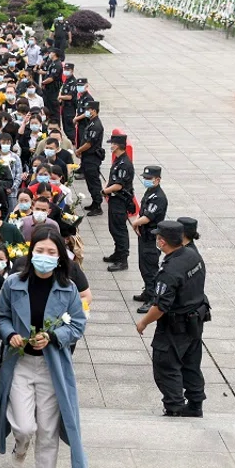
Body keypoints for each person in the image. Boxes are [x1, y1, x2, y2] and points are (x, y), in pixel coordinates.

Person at [0, 227, 87, 468]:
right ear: (31, 252)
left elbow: (78, 324)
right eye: (39, 251)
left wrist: (55, 336)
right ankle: (20, 445)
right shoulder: (13, 283)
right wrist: (10, 334)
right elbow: (1, 315)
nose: (44, 256)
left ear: (60, 257)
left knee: (47, 429)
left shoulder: (68, 288)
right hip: (19, 362)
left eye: (51, 252)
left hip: (51, 366)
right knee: (23, 425)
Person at [136, 221, 209, 418]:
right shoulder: (192, 255)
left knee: (166, 365)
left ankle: (174, 407)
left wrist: (143, 322)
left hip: (175, 326)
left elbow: (160, 306)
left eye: (159, 237)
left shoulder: (169, 271)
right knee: (191, 364)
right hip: (195, 321)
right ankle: (195, 404)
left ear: (162, 241)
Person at [132, 166, 168, 314]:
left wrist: (135, 223)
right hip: (145, 235)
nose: (145, 181)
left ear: (157, 180)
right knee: (143, 265)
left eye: (148, 178)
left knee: (150, 268)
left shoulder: (158, 197)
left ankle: (153, 299)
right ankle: (148, 291)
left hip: (152, 237)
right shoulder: (151, 192)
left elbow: (148, 217)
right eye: (145, 178)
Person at [102, 133, 134, 272]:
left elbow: (119, 185)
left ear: (117, 145)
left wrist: (105, 191)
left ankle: (123, 259)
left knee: (119, 230)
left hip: (120, 200)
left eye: (112, 144)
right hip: (114, 199)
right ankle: (117, 253)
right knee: (113, 227)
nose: (111, 146)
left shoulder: (124, 163)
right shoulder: (119, 160)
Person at [75, 101, 105, 216]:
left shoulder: (96, 125)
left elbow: (89, 143)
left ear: (94, 110)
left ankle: (98, 205)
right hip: (87, 157)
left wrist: (79, 150)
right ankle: (94, 202)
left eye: (88, 109)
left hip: (92, 158)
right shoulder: (91, 123)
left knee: (94, 182)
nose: (87, 111)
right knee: (89, 181)